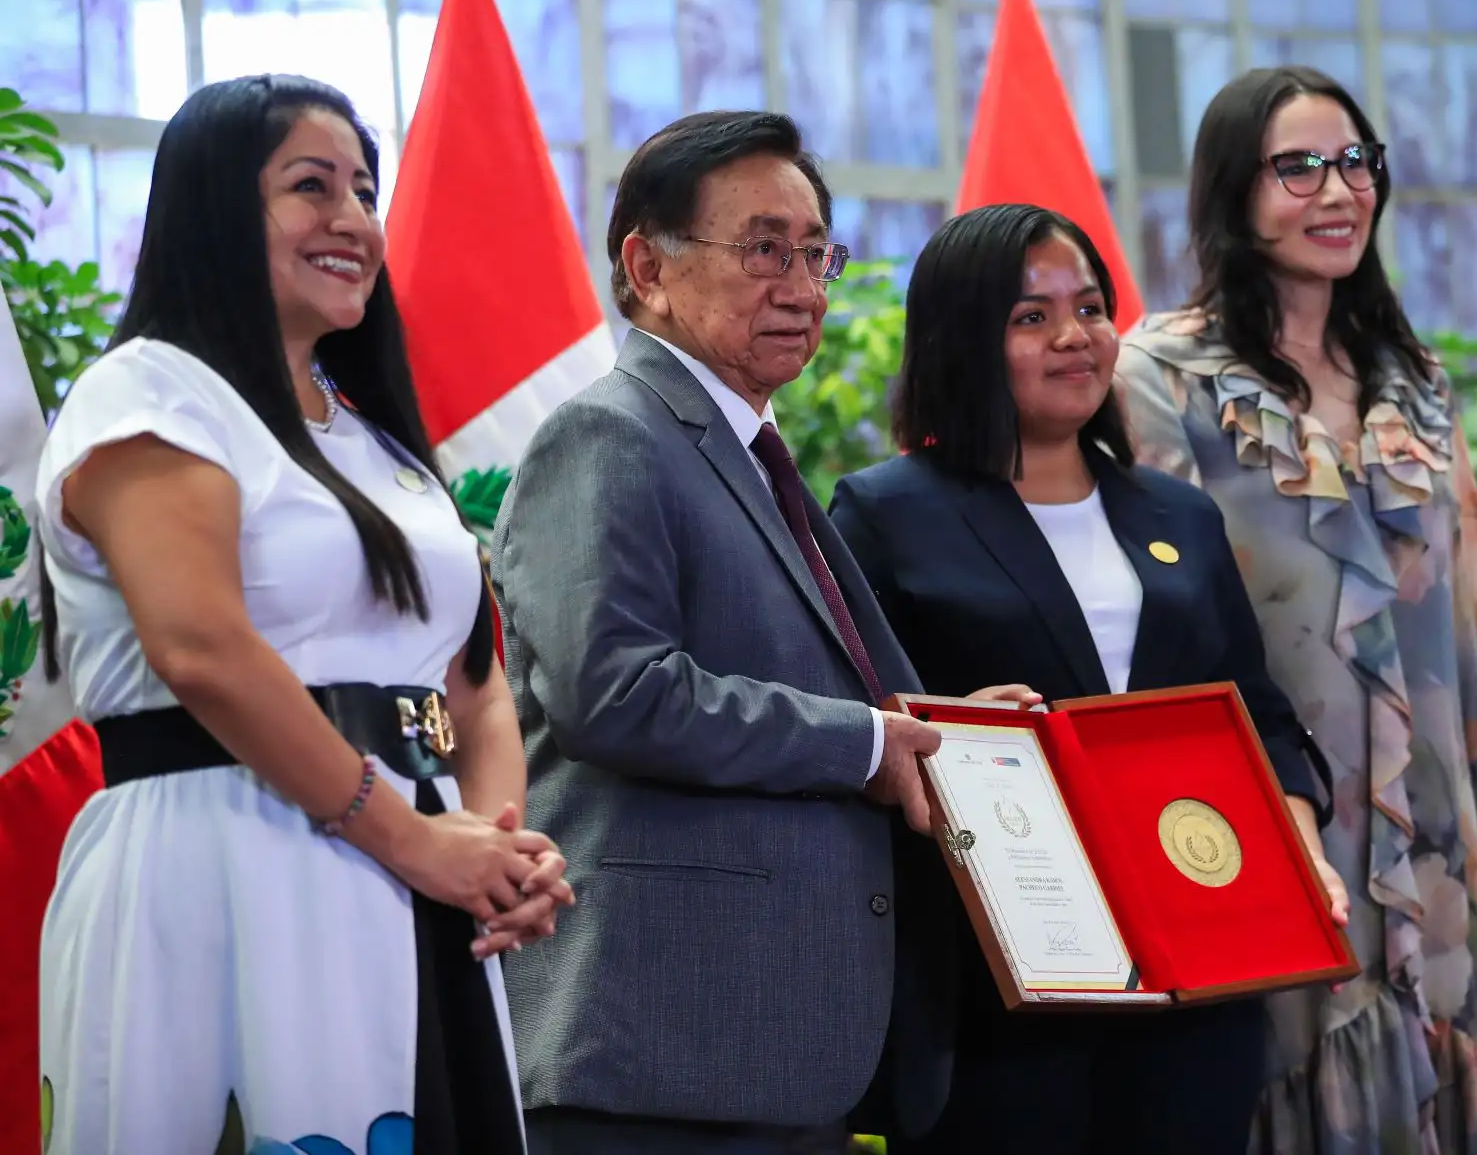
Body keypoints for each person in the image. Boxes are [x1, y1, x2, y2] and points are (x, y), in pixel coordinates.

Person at [33, 74, 572, 1155]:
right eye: (309, 186)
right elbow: (203, 653)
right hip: (226, 855)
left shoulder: (381, 446)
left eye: (364, 190)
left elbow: (474, 680)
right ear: (214, 210)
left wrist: (498, 850)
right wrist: (412, 839)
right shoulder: (151, 393)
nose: (352, 220)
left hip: (417, 882)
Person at [489, 110, 1032, 1154]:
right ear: (646, 267)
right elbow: (616, 691)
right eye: (763, 250)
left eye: (816, 251)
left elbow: (805, 690)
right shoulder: (608, 434)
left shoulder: (749, 456)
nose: (802, 285)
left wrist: (936, 730)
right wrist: (868, 743)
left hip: (769, 1051)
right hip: (656, 1049)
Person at [826, 203, 1347, 1155]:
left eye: (1093, 307)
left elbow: (1257, 720)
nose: (1076, 336)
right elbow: (857, 727)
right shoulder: (883, 512)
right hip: (1004, 998)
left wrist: (1300, 855)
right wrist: (946, 729)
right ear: (962, 339)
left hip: (1199, 974)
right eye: (1031, 317)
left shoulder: (1179, 515)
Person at [1114, 66, 1477, 1153]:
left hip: (1438, 839)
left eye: (1356, 162)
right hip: (1279, 825)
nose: (1337, 190)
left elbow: (1474, 618)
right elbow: (1162, 630)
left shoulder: (1414, 379)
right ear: (1234, 189)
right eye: (1298, 166)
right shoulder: (1159, 373)